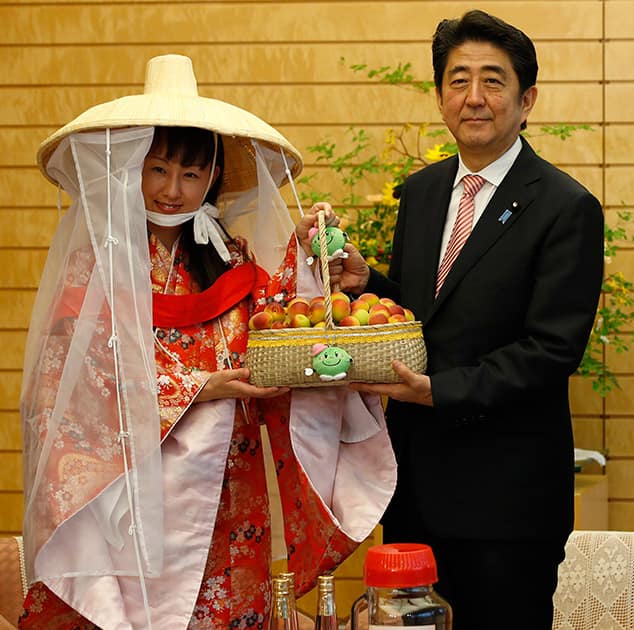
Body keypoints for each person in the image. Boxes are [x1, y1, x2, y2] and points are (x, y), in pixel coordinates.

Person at [19, 55, 395, 629]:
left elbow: (277, 330)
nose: (173, 190)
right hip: (129, 485)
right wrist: (199, 387)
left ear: (213, 178)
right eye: (158, 169)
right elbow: (69, 388)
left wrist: (307, 256)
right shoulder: (93, 266)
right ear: (130, 170)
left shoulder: (231, 258)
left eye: (191, 174)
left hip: (228, 483)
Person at [328, 10, 604, 629]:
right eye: (458, 80)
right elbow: (426, 315)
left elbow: (552, 349)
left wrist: (439, 391)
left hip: (508, 499)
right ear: (440, 95)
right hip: (417, 485)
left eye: (493, 80)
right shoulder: (422, 192)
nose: (473, 97)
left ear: (526, 99)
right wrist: (367, 283)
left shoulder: (566, 208)